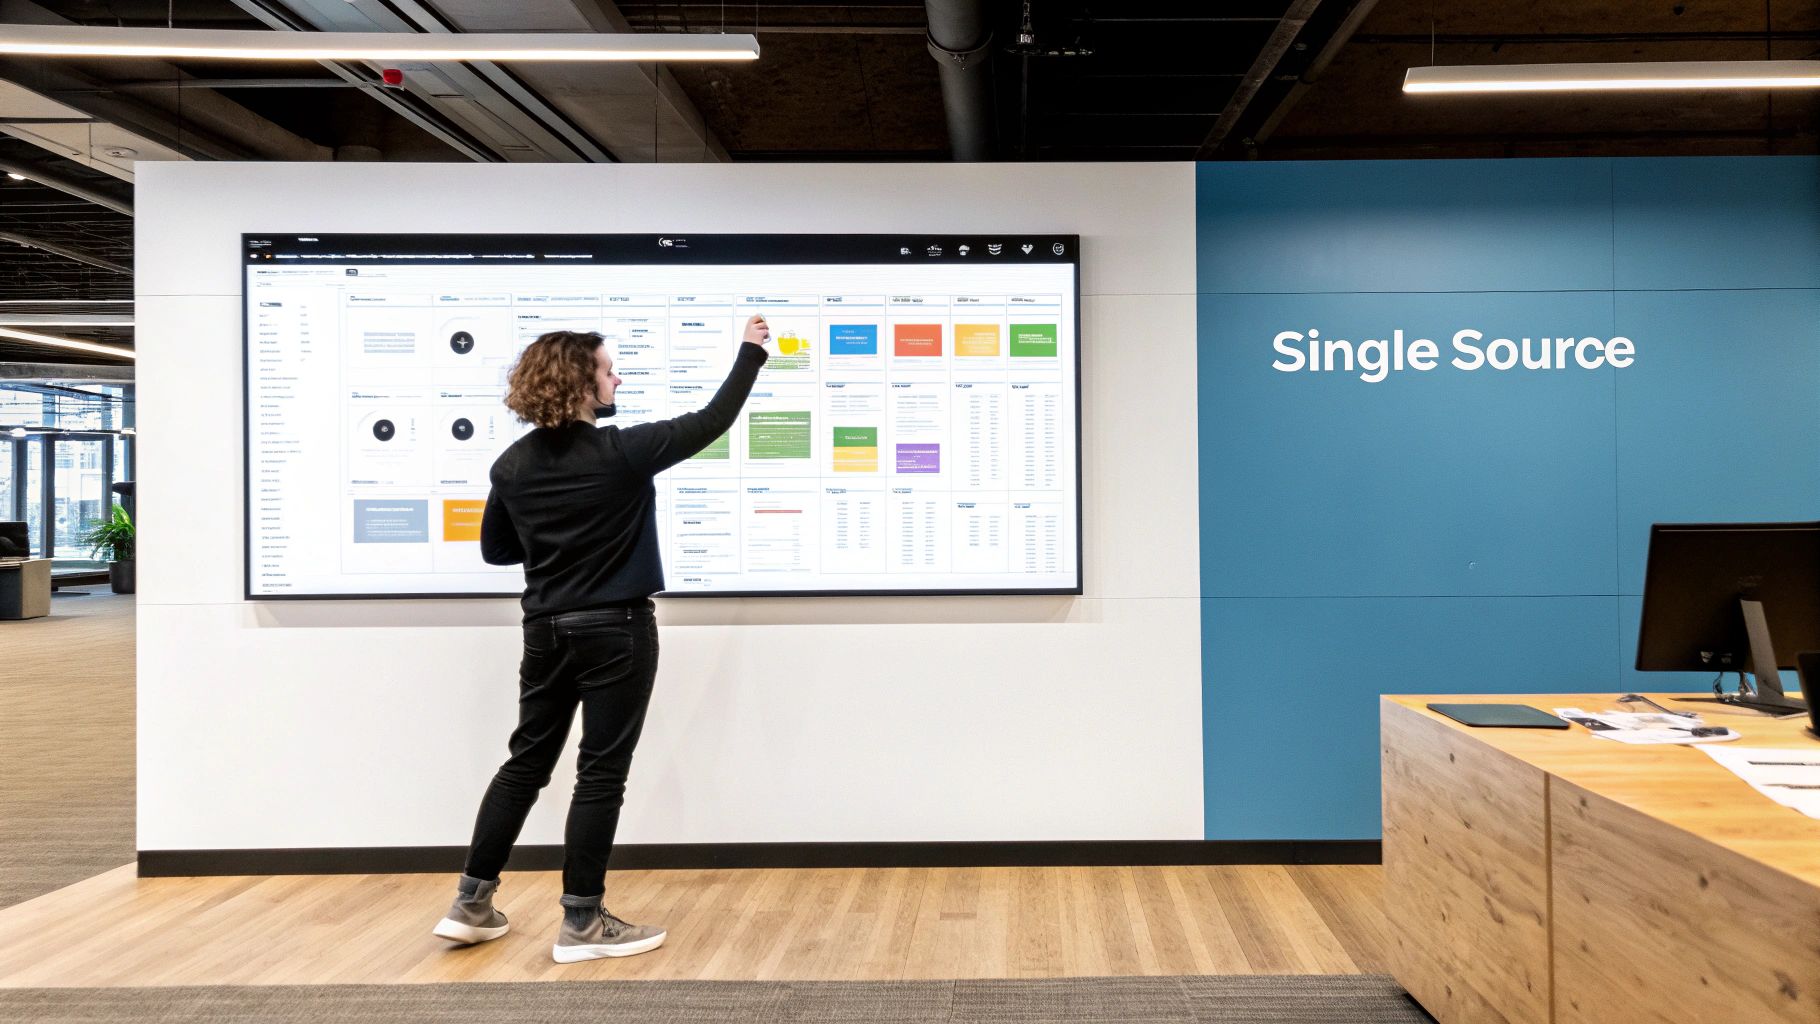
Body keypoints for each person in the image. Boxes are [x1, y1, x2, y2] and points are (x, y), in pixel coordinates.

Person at [433, 315, 771, 963]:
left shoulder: (510, 465)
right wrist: (750, 354)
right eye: (608, 369)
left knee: (525, 762)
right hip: (616, 628)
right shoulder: (622, 453)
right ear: (582, 384)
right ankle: (582, 923)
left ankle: (471, 903)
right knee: (600, 772)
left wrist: (554, 536)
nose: (617, 377)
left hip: (545, 630)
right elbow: (712, 420)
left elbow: (498, 550)